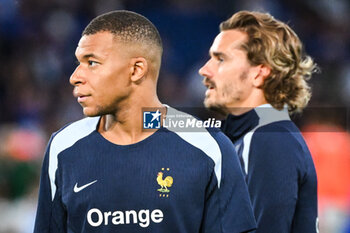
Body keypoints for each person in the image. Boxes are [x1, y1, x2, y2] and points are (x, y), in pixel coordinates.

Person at [33, 10, 256, 233]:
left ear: (136, 70)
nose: (75, 76)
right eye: (79, 62)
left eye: (91, 62)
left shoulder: (209, 147)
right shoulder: (62, 147)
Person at [199, 11, 318, 233]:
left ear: (259, 73)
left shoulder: (268, 139)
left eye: (221, 59)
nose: (204, 70)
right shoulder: (256, 136)